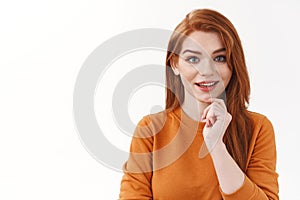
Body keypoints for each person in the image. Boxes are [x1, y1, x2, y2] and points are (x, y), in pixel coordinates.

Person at [119, 8, 279, 199]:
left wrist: (216, 146)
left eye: (219, 58)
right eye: (193, 59)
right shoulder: (151, 130)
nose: (207, 70)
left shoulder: (258, 128)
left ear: (233, 63)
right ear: (175, 65)